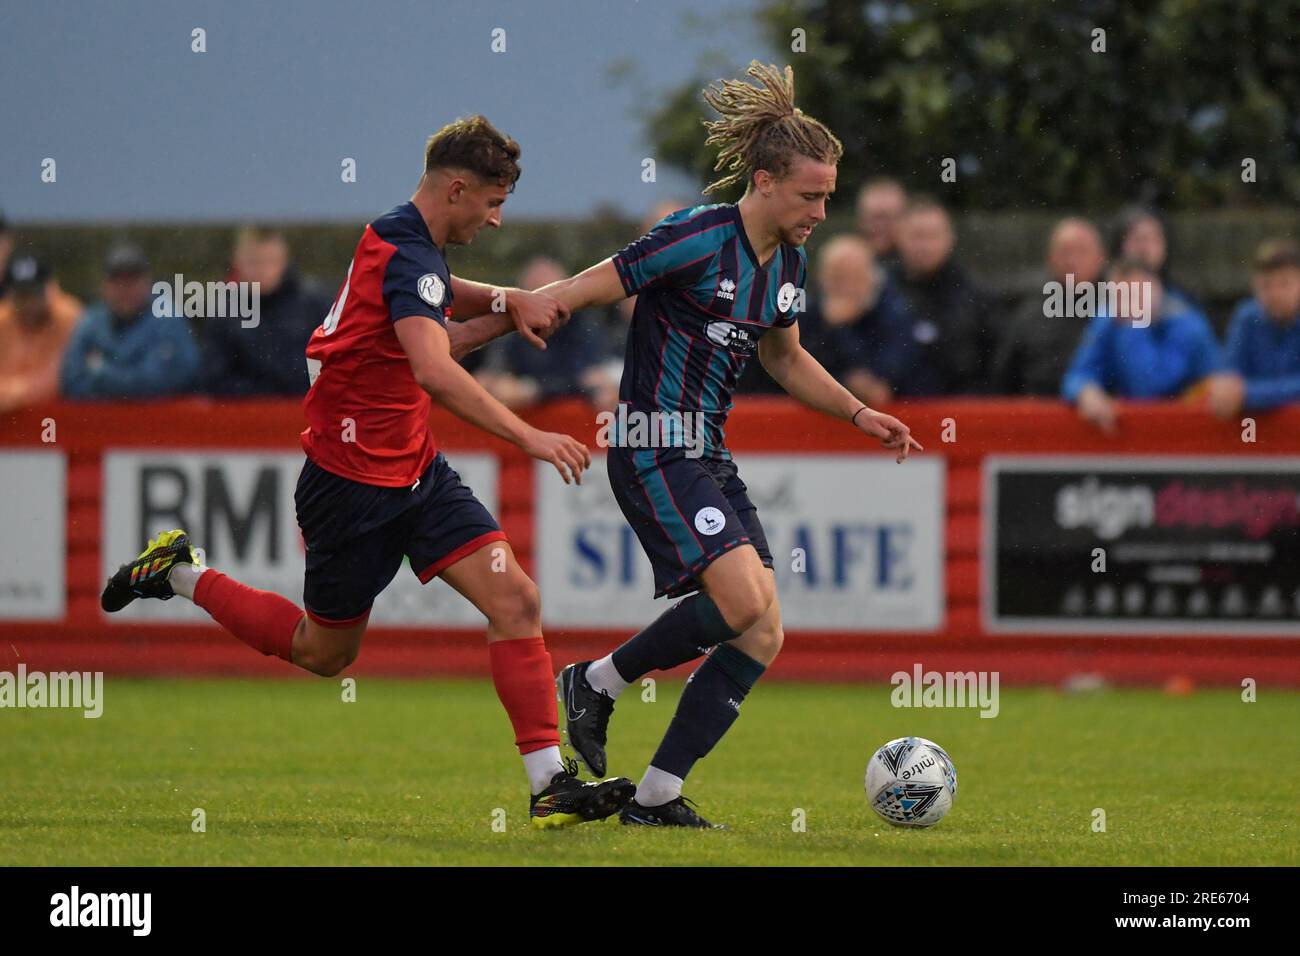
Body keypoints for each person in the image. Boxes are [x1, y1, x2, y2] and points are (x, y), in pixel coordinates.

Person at [98, 116, 634, 828]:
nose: (497, 219)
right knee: (324, 654)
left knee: (516, 602)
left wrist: (511, 304)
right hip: (350, 487)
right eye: (492, 202)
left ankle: (548, 786)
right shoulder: (409, 255)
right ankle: (178, 573)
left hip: (415, 473)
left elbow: (446, 318)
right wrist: (528, 434)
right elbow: (436, 368)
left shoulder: (406, 242)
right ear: (455, 188)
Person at [540, 63, 920, 828]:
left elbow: (783, 358)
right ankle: (597, 682)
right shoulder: (693, 236)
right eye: (810, 195)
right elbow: (597, 284)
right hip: (650, 445)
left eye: (828, 196)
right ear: (764, 181)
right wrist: (530, 308)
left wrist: (857, 413)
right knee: (741, 600)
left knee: (763, 629)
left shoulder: (788, 263)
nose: (820, 210)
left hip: (706, 453)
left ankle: (655, 798)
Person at [1062, 259, 1227, 434]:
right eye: (1117, 296)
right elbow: (1077, 374)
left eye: (1134, 295)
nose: (1124, 305)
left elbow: (1149, 391)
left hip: (1188, 435)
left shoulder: (1187, 324)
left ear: (1157, 290)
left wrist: (1134, 325)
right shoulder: (1110, 318)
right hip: (1128, 438)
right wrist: (1085, 392)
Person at [784, 233, 916, 407]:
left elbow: (894, 369)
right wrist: (837, 327)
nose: (847, 286)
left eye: (855, 277)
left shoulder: (894, 310)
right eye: (838, 277)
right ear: (822, 278)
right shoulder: (803, 310)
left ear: (871, 278)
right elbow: (796, 366)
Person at [59, 243, 201, 399]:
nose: (124, 290)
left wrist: (101, 371)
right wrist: (128, 380)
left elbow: (159, 382)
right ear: (104, 286)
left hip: (158, 420)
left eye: (132, 281)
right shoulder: (91, 321)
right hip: (100, 420)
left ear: (148, 283)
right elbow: (72, 382)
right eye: (117, 281)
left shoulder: (168, 318)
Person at [202, 227, 332, 396]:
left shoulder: (315, 303)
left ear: (284, 261)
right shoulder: (224, 311)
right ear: (237, 262)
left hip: (307, 410)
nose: (262, 270)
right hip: (246, 415)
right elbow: (214, 377)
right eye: (253, 262)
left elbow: (333, 365)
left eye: (270, 261)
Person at [476, 256, 613, 409]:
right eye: (536, 294)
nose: (545, 304)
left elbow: (593, 378)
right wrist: (496, 381)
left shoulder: (585, 327)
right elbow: (494, 373)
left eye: (553, 294)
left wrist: (532, 388)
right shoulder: (510, 328)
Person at [992, 217, 1108, 395]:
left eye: (1082, 251)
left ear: (1101, 257)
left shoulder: (1120, 312)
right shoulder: (1028, 317)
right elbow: (1003, 381)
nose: (1073, 261)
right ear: (1050, 258)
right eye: (1065, 252)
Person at [893, 196, 995, 394]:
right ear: (899, 237)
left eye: (933, 236)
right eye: (917, 236)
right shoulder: (880, 293)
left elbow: (993, 365)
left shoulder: (977, 298)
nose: (925, 246)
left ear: (950, 239)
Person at [1208, 239, 1300, 417]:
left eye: (1284, 283)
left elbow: (1239, 392)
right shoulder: (1247, 317)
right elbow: (1230, 378)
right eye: (1266, 285)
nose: (1275, 294)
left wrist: (1250, 395)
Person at [0, 255, 82, 413]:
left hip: (58, 420)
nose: (29, 303)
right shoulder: (2, 320)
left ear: (50, 289)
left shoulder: (70, 318)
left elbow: (60, 378)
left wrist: (12, 395)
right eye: (22, 295)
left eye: (35, 293)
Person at [854, 177, 907, 275]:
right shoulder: (845, 266)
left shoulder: (918, 268)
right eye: (874, 218)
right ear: (861, 220)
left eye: (887, 218)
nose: (880, 226)